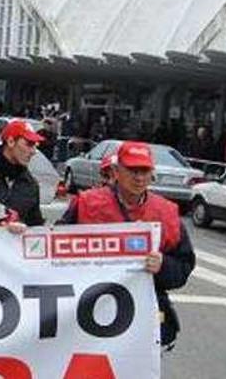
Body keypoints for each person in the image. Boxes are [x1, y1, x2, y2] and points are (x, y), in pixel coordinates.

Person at [59, 140, 195, 351]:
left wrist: (163, 265)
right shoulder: (87, 203)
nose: (139, 177)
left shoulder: (166, 212)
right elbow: (54, 249)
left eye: (144, 170)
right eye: (132, 170)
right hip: (87, 311)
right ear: (116, 171)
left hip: (143, 317)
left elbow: (183, 268)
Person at [0, 119, 47, 227]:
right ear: (11, 142)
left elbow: (35, 228)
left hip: (13, 243)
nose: (33, 151)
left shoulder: (30, 185)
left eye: (35, 146)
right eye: (29, 144)